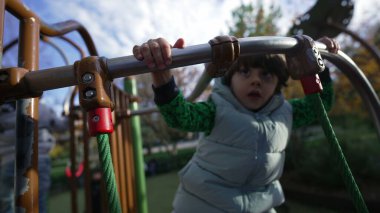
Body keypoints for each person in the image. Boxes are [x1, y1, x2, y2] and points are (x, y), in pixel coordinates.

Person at [133, 36, 338, 213]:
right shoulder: (216, 110)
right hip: (203, 205)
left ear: (278, 83)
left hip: (260, 205)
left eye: (266, 75)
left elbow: (321, 105)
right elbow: (179, 116)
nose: (256, 81)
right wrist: (162, 76)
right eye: (245, 72)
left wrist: (319, 61)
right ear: (230, 78)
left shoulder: (287, 113)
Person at [0, 99, 68, 213]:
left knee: (7, 200)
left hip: (8, 159)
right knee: (36, 198)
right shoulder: (42, 108)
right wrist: (69, 118)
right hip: (37, 156)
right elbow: (61, 126)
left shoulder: (3, 109)